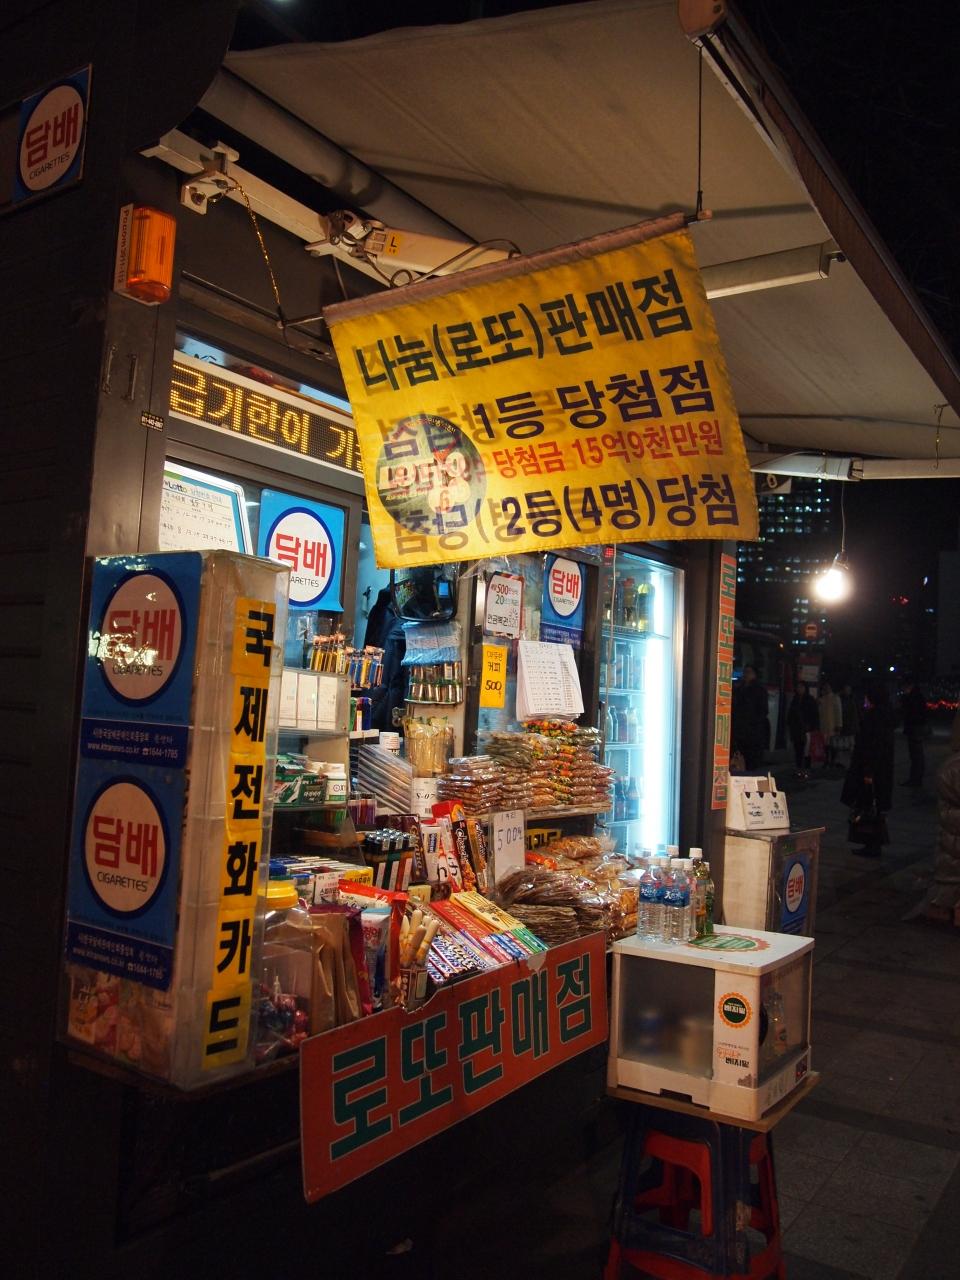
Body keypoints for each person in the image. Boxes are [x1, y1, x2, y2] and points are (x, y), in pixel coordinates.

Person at [841, 682, 898, 857]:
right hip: (879, 771)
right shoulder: (885, 716)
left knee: (869, 806)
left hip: (871, 770)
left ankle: (872, 844)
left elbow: (872, 747)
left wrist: (868, 771)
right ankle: (872, 844)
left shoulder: (875, 717)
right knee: (873, 807)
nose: (865, 699)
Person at [731, 664, 770, 771]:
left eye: (748, 672)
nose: (746, 675)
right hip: (740, 731)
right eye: (745, 672)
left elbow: (762, 711)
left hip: (753, 732)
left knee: (752, 760)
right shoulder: (739, 688)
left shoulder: (759, 690)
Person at [899, 676, 927, 787]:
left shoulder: (913, 697)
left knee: (916, 755)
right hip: (916, 728)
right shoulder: (917, 696)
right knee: (917, 755)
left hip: (915, 728)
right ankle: (916, 778)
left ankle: (915, 779)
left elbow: (912, 712)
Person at [787, 681, 819, 777]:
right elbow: (791, 713)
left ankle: (806, 768)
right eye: (798, 687)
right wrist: (790, 723)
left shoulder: (810, 700)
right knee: (798, 749)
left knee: (807, 750)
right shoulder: (795, 699)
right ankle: (799, 768)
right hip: (796, 729)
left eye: (801, 687)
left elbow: (814, 714)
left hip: (806, 729)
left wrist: (812, 726)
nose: (799, 689)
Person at [818, 680, 843, 766]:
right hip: (824, 726)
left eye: (828, 687)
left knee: (832, 745)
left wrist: (839, 725)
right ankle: (826, 760)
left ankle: (832, 760)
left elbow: (838, 712)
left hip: (832, 725)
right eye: (825, 687)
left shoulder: (835, 698)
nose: (826, 688)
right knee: (825, 745)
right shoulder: (822, 699)